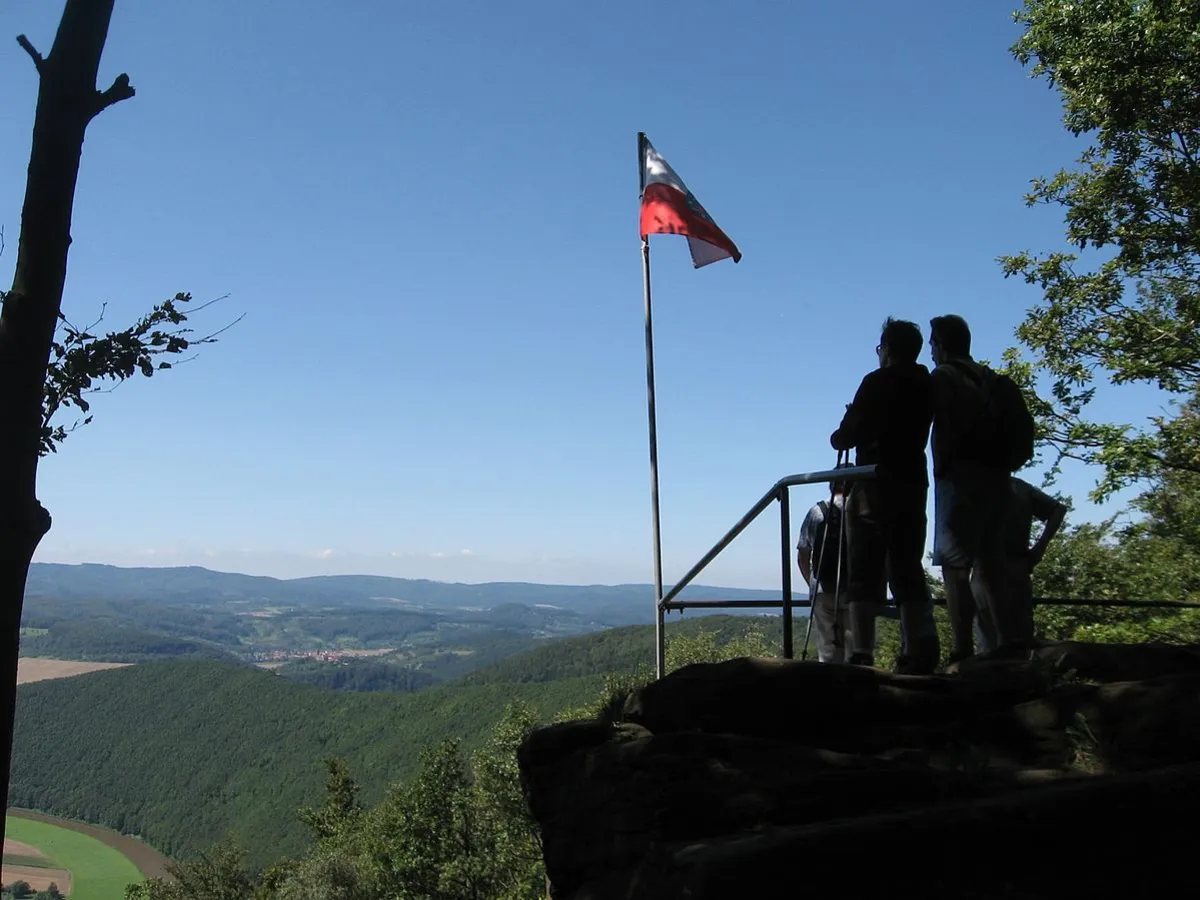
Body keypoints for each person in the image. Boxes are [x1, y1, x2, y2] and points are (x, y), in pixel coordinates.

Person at [830, 318, 940, 674]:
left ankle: (862, 654)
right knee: (907, 567)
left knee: (864, 571)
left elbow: (844, 437)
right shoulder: (927, 384)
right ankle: (918, 650)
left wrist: (843, 429)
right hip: (912, 483)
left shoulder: (875, 382)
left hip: (873, 483)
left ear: (887, 349)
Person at [928, 314, 1032, 660]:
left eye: (932, 343)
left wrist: (942, 466)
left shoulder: (943, 378)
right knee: (992, 565)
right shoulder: (997, 382)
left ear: (941, 344)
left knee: (955, 569)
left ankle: (962, 651)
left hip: (957, 482)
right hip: (998, 481)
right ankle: (1008, 643)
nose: (930, 350)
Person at [969, 476, 1067, 654]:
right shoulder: (1019, 487)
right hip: (1016, 566)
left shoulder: (973, 486)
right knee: (1018, 639)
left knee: (988, 641)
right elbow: (1057, 509)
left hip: (986, 567)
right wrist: (1039, 548)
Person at [796, 480, 851, 663]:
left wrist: (812, 584)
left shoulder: (816, 512)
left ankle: (829, 688)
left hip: (822, 588)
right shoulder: (860, 511)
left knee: (828, 651)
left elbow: (803, 554)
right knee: (855, 650)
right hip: (855, 589)